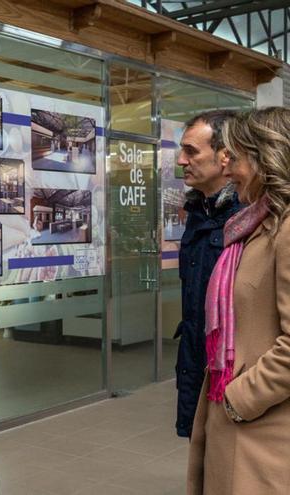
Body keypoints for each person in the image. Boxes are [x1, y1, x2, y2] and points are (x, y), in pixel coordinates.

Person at [187, 107, 290, 494]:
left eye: (236, 156)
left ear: (268, 158)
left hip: (263, 435)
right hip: (242, 424)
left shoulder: (286, 229)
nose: (227, 168)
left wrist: (239, 399)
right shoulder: (255, 224)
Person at [174, 110, 242, 438]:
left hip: (234, 374)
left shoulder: (251, 219)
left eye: (191, 151)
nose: (180, 160)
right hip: (197, 362)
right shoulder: (197, 213)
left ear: (224, 157)